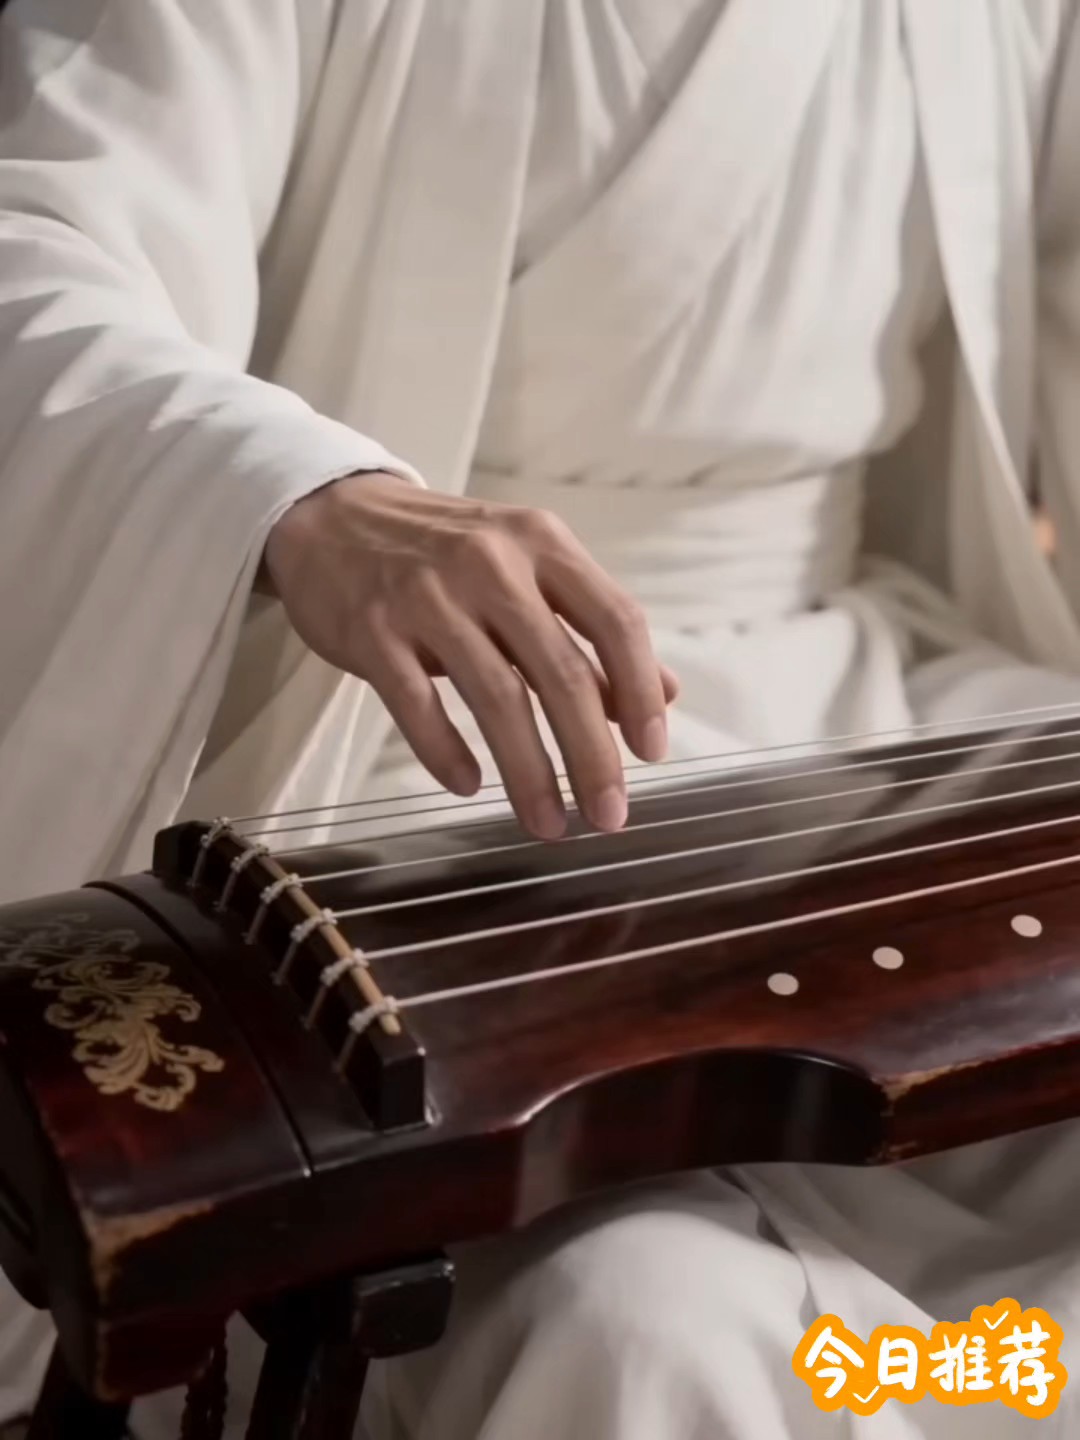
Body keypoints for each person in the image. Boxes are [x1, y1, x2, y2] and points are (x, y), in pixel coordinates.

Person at [4, 1, 1080, 1436]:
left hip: (876, 715)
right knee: (642, 1320)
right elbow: (36, 244)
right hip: (412, 731)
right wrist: (304, 491)